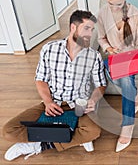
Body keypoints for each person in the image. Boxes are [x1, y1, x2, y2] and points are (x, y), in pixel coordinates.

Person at [2, 10, 107, 161]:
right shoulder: (49, 49)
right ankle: (73, 138)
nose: (90, 34)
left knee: (93, 131)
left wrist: (93, 100)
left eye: (92, 30)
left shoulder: (93, 56)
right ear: (73, 27)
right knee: (9, 130)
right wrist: (48, 102)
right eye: (86, 28)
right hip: (53, 101)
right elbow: (41, 79)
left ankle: (38, 145)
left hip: (79, 105)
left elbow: (101, 85)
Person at [97, 0, 138, 152]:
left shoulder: (136, 13)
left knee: (126, 80)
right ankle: (135, 93)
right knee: (103, 69)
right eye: (111, 4)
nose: (115, 8)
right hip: (113, 57)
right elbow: (101, 38)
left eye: (119, 4)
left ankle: (128, 127)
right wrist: (108, 48)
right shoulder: (102, 13)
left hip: (131, 57)